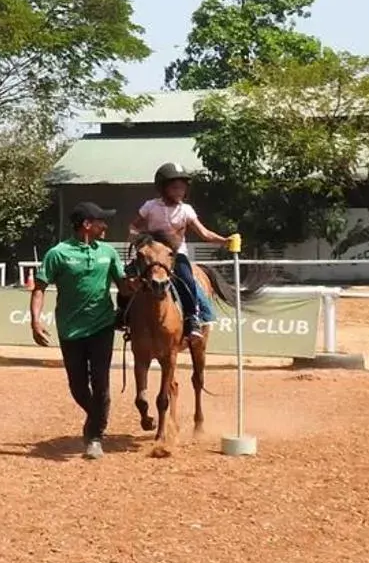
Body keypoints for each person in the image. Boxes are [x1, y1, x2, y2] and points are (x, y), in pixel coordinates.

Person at [31, 202, 130, 461]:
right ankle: (98, 415)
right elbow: (39, 288)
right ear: (87, 224)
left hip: (102, 326)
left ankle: (94, 436)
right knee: (77, 386)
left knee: (101, 383)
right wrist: (35, 321)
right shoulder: (58, 254)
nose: (105, 226)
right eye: (101, 221)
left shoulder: (108, 252)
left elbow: (124, 287)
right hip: (70, 329)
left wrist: (140, 280)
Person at [129, 163, 231, 340]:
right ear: (163, 188)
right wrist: (139, 240)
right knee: (128, 275)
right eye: (175, 187)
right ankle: (123, 315)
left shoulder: (186, 210)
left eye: (183, 188)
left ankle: (192, 318)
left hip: (176, 254)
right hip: (152, 254)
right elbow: (133, 227)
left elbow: (204, 233)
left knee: (187, 279)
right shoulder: (150, 206)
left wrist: (224, 241)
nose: (179, 192)